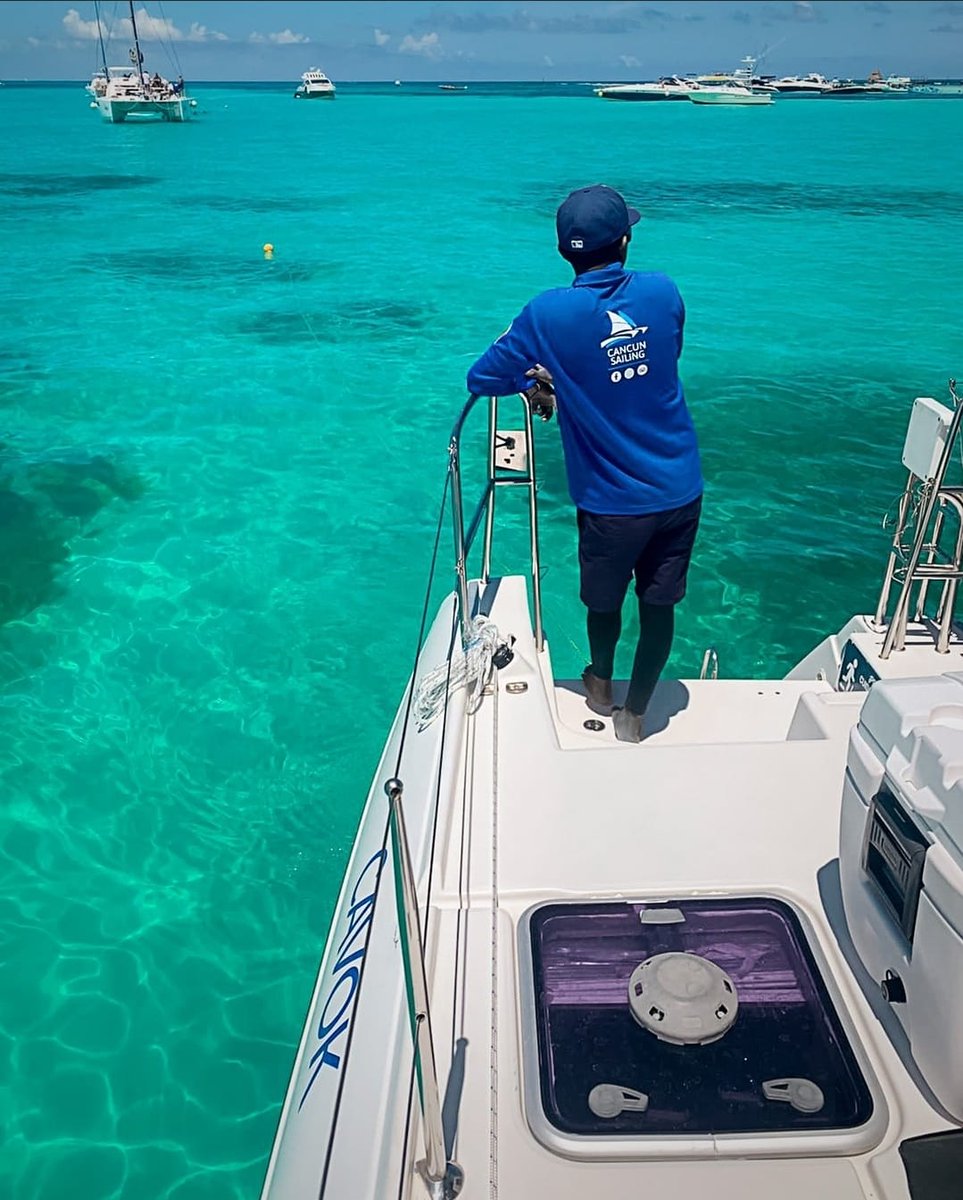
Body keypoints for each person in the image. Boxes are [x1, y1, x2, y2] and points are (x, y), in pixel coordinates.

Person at [466, 184, 702, 743]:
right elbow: (667, 354)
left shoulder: (547, 313)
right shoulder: (662, 290)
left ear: (562, 251)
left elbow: (482, 377)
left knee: (603, 601)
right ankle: (635, 714)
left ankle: (598, 684)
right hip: (679, 486)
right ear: (625, 241)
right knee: (659, 605)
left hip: (610, 503)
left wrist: (539, 380)